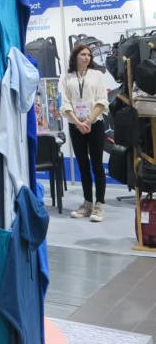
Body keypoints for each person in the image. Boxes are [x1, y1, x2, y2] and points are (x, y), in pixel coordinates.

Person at [60, 43, 109, 222]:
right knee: (83, 165)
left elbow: (102, 101)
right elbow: (65, 104)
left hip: (94, 124)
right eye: (83, 54)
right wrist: (78, 123)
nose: (87, 57)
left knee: (97, 165)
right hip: (75, 126)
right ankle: (87, 203)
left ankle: (100, 204)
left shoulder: (97, 75)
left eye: (89, 55)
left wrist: (87, 121)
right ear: (75, 57)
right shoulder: (67, 78)